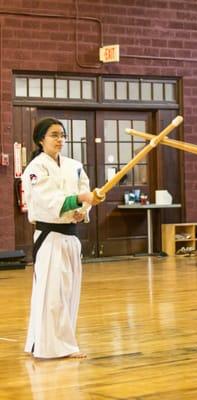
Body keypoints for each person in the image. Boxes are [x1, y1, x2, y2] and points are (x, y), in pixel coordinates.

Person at [22, 117, 103, 359]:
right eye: (54, 135)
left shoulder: (74, 165)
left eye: (63, 135)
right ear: (41, 139)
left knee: (68, 293)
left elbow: (83, 193)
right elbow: (51, 201)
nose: (60, 140)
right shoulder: (36, 168)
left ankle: (55, 342)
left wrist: (84, 209)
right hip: (50, 237)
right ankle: (51, 347)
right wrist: (82, 198)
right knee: (51, 294)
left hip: (71, 237)